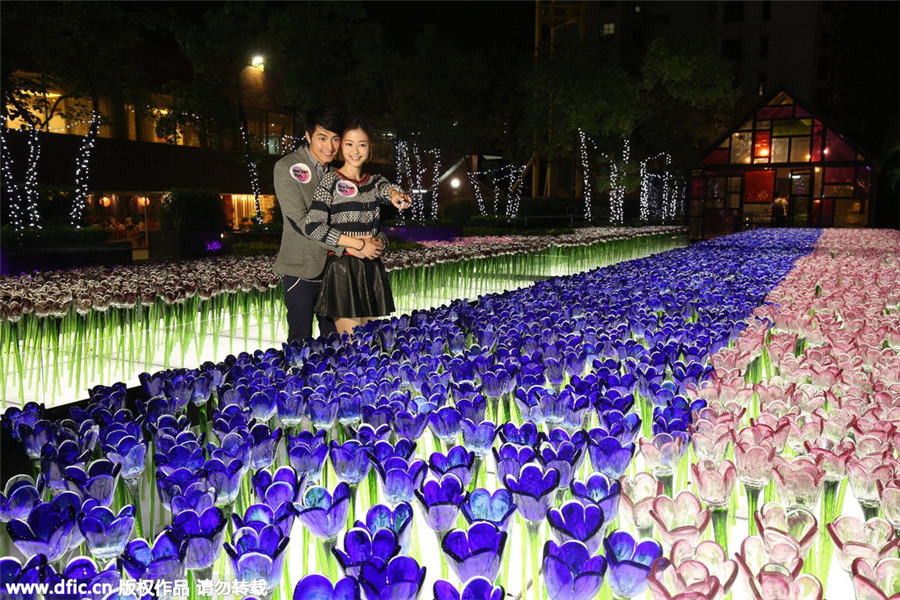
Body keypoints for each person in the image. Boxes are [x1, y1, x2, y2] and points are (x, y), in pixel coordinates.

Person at [273, 106, 386, 342]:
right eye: (322, 138)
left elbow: (359, 217)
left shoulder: (340, 173)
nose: (330, 147)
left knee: (335, 341)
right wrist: (351, 245)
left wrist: (378, 240)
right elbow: (302, 223)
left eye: (336, 140)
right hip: (302, 270)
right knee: (300, 340)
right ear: (308, 135)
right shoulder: (286, 167)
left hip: (337, 273)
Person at [303, 116, 411, 340]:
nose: (355, 150)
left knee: (372, 343)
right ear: (341, 146)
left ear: (369, 147)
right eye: (349, 144)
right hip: (343, 270)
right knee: (352, 345)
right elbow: (313, 226)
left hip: (371, 269)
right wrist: (357, 244)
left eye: (362, 144)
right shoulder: (329, 181)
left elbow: (387, 190)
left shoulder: (375, 181)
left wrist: (396, 196)